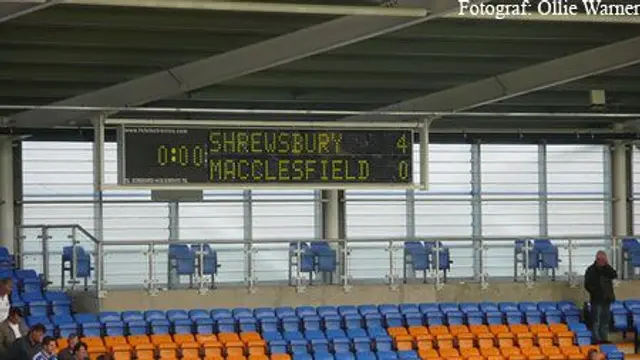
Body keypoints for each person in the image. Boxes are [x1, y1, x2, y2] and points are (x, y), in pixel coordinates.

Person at [584, 250, 618, 344]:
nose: (602, 261)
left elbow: (614, 275)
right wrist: (596, 293)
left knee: (605, 321)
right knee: (596, 321)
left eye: (604, 259)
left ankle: (604, 338)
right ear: (597, 259)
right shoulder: (591, 270)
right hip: (597, 300)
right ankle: (596, 339)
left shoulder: (607, 269)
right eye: (601, 259)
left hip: (607, 299)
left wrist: (607, 266)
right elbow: (587, 285)